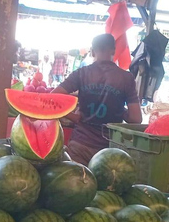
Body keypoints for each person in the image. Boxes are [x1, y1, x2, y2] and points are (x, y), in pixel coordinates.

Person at [54, 33, 142, 165]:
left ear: (93, 51)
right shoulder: (126, 78)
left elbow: (52, 97)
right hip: (109, 150)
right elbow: (136, 119)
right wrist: (118, 108)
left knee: (75, 182)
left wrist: (73, 117)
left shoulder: (81, 73)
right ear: (113, 50)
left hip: (80, 145)